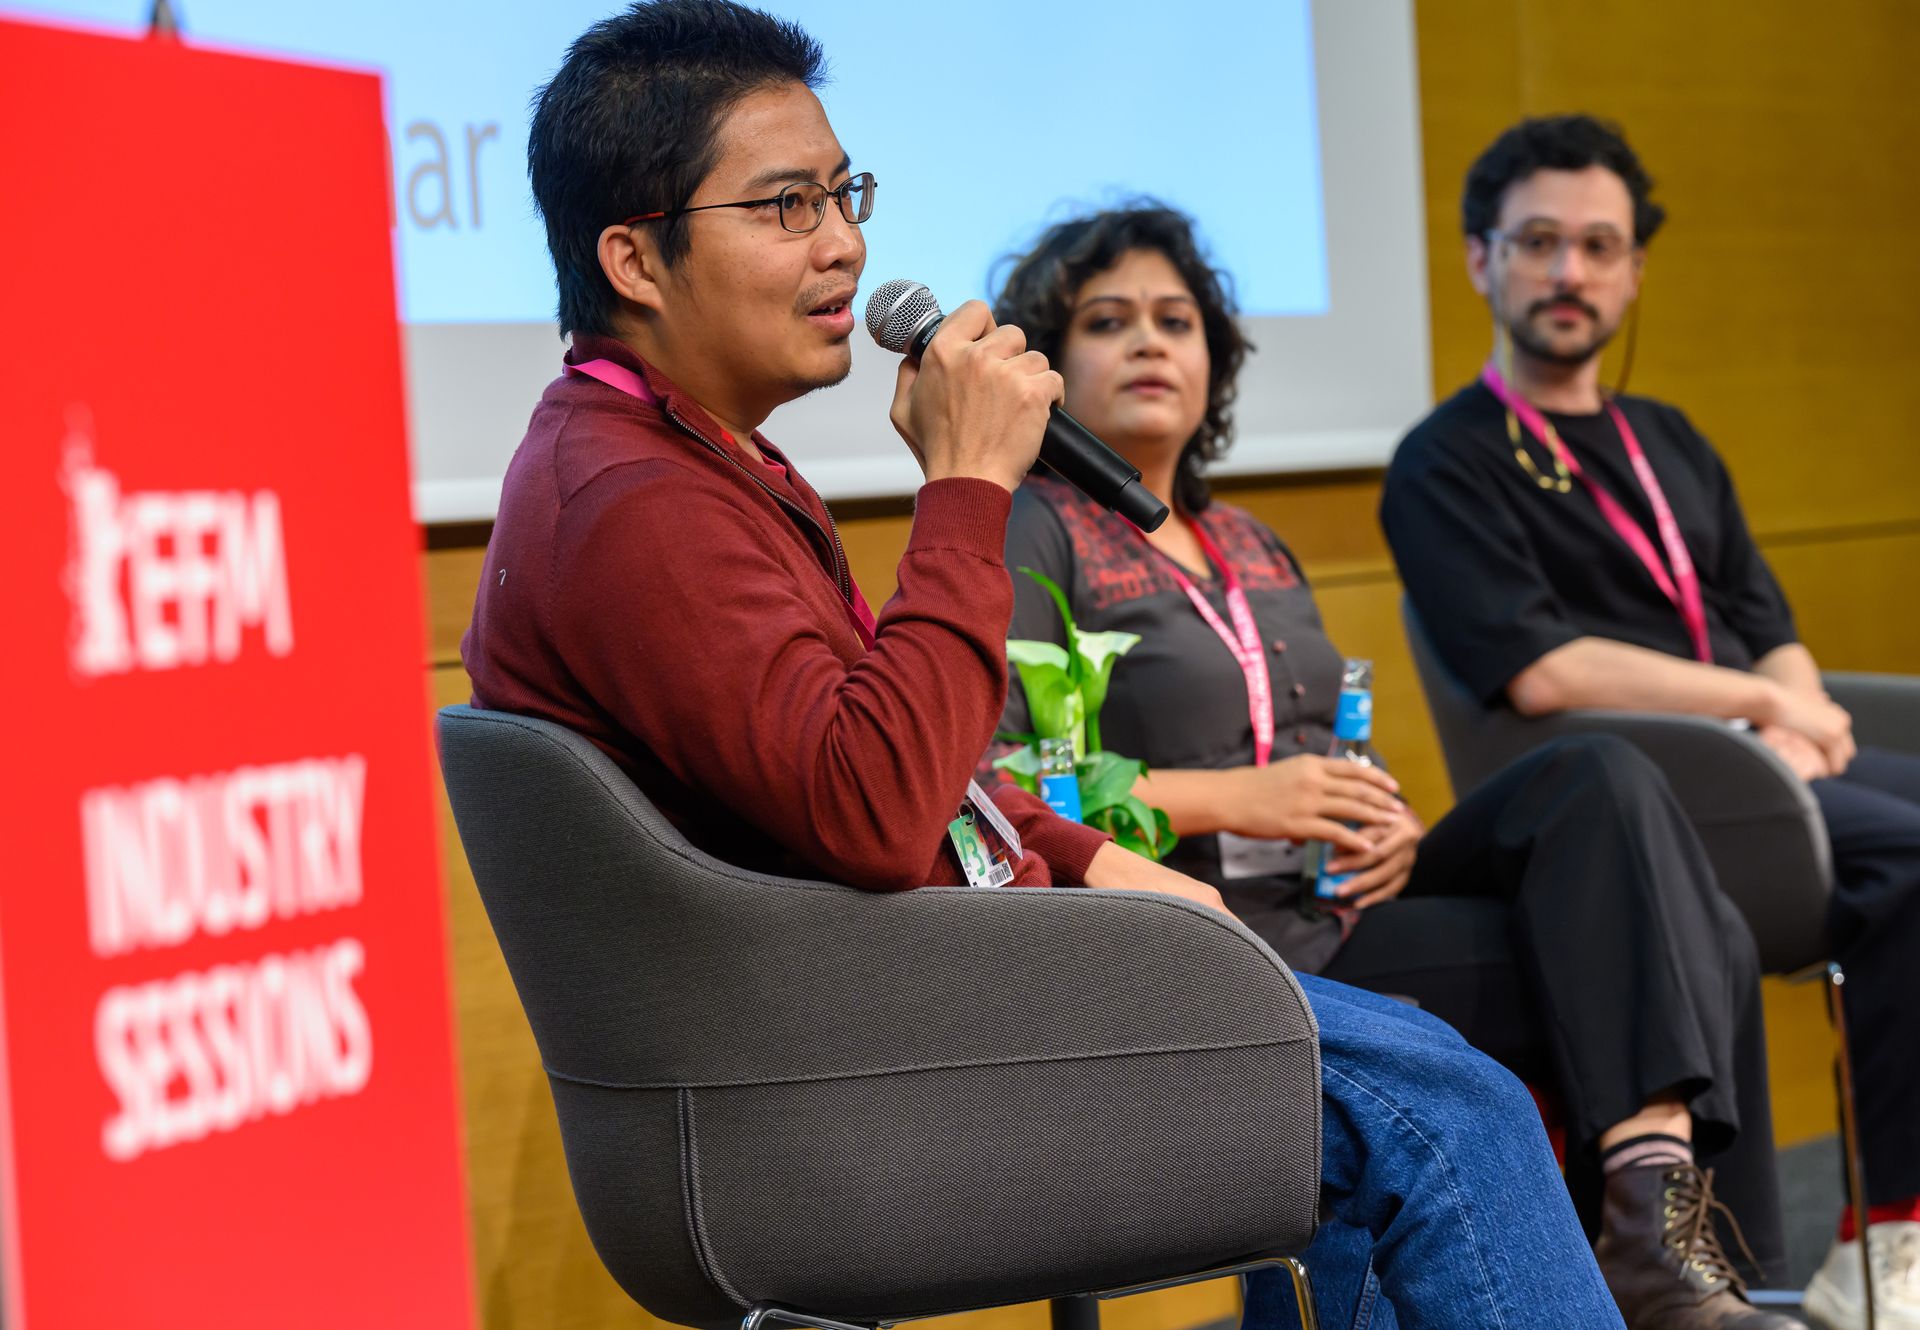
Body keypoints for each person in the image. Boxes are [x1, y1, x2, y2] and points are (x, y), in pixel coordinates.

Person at [457, 4, 1622, 1327]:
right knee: (1441, 1105)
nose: (846, 242)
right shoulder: (630, 503)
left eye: (845, 194)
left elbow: (909, 776)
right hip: (847, 1076)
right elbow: (877, 806)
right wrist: (964, 488)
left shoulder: (694, 463)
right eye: (786, 206)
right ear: (635, 258)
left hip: (927, 992)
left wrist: (1098, 865)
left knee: (1417, 1066)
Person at [991, 201, 1808, 1329]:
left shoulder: (1247, 540)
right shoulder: (1031, 524)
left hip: (1345, 904)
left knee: (1600, 783)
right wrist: (1235, 797)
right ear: (1050, 360)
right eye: (1107, 320)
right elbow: (1002, 784)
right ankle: (1660, 1264)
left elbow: (1329, 740)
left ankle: (1662, 1227)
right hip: (1206, 934)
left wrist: (1392, 822)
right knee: (1680, 945)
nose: (1146, 342)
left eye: (1174, 320)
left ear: (1211, 360)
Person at [1380, 113, 1920, 1330]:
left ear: (1632, 269)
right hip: (1649, 794)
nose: (1569, 273)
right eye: (1539, 242)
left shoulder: (1665, 439)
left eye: (1597, 246)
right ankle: (1872, 1248)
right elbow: (1539, 672)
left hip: (1757, 760)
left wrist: (1802, 705)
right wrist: (1760, 706)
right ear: (1478, 259)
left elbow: (1759, 611)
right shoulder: (1444, 459)